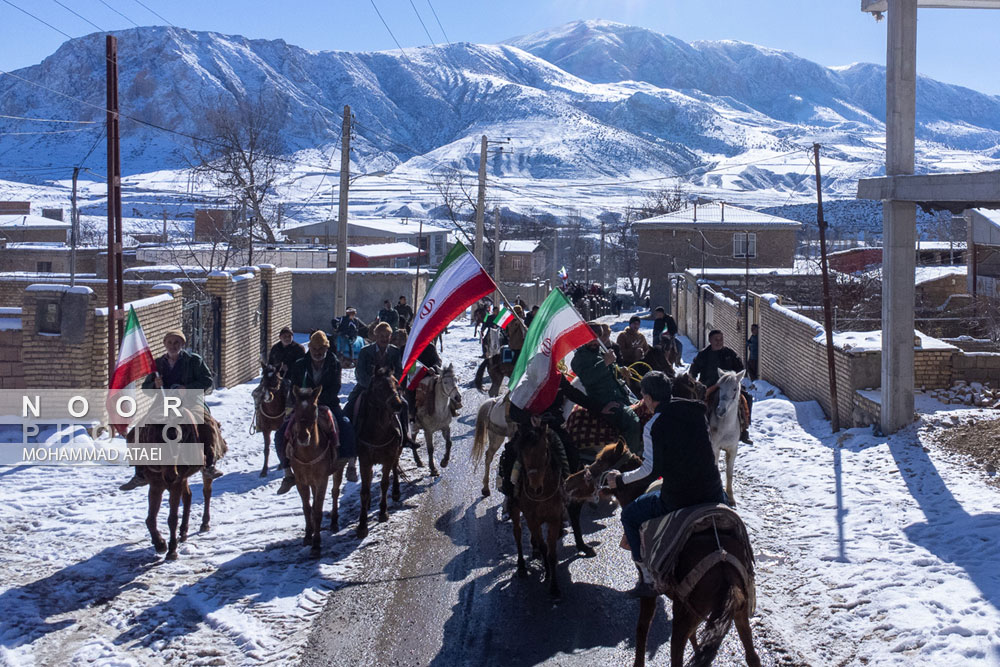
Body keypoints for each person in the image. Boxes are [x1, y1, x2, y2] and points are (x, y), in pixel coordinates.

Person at [604, 371, 728, 597]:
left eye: (643, 397)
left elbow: (651, 470)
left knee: (629, 516)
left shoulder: (654, 425)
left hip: (679, 497)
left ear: (650, 399)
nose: (644, 403)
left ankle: (648, 580)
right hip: (712, 491)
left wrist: (621, 478)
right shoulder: (697, 412)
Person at [119, 330, 222, 491]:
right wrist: (155, 385)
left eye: (176, 343)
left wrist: (186, 388)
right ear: (164, 344)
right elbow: (146, 389)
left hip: (189, 401)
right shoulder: (158, 364)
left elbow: (207, 380)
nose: (173, 346)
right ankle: (139, 472)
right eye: (170, 343)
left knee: (207, 424)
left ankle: (209, 464)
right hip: (164, 404)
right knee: (136, 432)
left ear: (182, 344)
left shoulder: (194, 361)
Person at [275, 330, 357, 494]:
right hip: (304, 405)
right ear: (310, 349)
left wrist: (318, 399)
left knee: (346, 426)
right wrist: (303, 397)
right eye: (315, 350)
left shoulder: (333, 363)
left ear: (326, 349)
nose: (318, 353)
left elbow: (336, 387)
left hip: (327, 403)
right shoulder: (300, 365)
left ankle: (349, 463)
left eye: (321, 350)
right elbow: (294, 387)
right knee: (281, 433)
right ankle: (287, 472)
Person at [570, 324, 642, 454]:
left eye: (598, 337)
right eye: (591, 337)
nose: (595, 340)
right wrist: (605, 363)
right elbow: (588, 378)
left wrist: (621, 371)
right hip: (603, 399)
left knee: (647, 409)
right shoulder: (579, 359)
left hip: (621, 395)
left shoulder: (601, 351)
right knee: (633, 422)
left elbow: (611, 373)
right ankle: (629, 458)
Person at [690, 330, 754, 444]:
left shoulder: (730, 353)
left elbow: (740, 367)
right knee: (697, 404)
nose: (719, 342)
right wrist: (695, 383)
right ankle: (698, 429)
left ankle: (744, 429)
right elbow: (693, 371)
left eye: (721, 339)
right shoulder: (703, 355)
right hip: (708, 386)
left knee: (746, 397)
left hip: (728, 386)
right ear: (710, 340)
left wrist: (734, 378)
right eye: (716, 339)